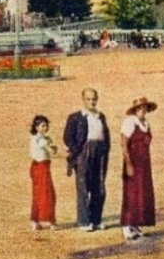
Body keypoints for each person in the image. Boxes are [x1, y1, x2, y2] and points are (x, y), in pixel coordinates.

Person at [63, 88, 111, 232]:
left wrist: (105, 148)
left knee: (100, 186)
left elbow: (106, 134)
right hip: (83, 152)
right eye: (88, 99)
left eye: (94, 99)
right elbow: (67, 137)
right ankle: (83, 221)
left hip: (100, 151)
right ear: (83, 100)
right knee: (83, 186)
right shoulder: (76, 117)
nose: (92, 102)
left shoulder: (101, 116)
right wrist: (76, 150)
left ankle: (96, 220)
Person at [120, 97, 157, 242]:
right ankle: (126, 225)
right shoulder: (129, 123)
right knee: (131, 193)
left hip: (144, 163)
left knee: (142, 192)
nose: (142, 110)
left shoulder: (146, 123)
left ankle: (135, 224)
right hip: (133, 162)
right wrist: (128, 164)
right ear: (135, 110)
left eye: (144, 108)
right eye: (140, 108)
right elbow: (124, 144)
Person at [29, 115, 58, 231]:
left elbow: (53, 150)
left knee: (38, 194)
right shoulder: (39, 139)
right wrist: (51, 147)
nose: (45, 128)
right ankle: (49, 220)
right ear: (36, 127)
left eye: (46, 125)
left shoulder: (42, 138)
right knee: (47, 193)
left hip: (42, 167)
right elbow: (52, 150)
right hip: (41, 168)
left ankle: (35, 220)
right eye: (42, 126)